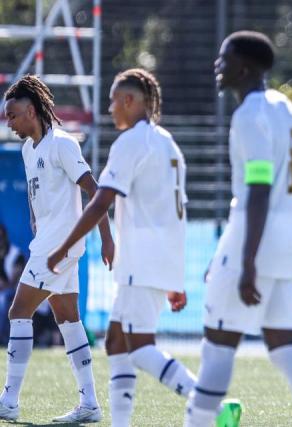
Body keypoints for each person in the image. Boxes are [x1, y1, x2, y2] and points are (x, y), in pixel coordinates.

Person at [184, 31, 292, 427]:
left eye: (224, 58)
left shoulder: (249, 113)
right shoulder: (286, 107)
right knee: (286, 349)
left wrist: (246, 260)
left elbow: (260, 187)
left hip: (256, 240)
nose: (218, 65)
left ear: (244, 67)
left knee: (217, 349)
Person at [46, 68, 207, 427]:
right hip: (158, 258)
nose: (109, 108)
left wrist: (62, 249)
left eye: (113, 100)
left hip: (141, 260)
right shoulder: (167, 143)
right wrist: (173, 276)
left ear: (130, 101)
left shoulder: (132, 142)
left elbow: (100, 202)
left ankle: (206, 401)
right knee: (117, 342)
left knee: (138, 346)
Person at [0, 75, 114, 422]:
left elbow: (95, 193)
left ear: (32, 111)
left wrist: (107, 238)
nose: (10, 122)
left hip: (60, 245)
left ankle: (9, 402)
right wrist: (35, 219)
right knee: (68, 319)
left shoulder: (63, 144)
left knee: (18, 313)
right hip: (48, 241)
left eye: (14, 115)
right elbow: (38, 198)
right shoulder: (26, 148)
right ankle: (90, 404)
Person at [0, 224, 26, 344]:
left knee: (3, 299)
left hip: (15, 291)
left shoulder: (16, 254)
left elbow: (13, 282)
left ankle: (2, 337)